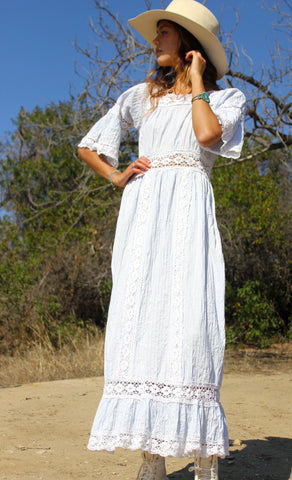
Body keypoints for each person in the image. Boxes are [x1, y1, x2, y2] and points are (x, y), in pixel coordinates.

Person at [77, 0, 246, 479]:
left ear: (191, 45)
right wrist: (115, 175)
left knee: (192, 323)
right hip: (145, 211)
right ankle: (152, 458)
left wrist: (196, 84)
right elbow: (90, 144)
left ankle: (206, 457)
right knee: (142, 320)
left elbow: (208, 136)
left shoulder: (227, 99)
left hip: (190, 211)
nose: (154, 42)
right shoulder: (141, 96)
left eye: (165, 32)